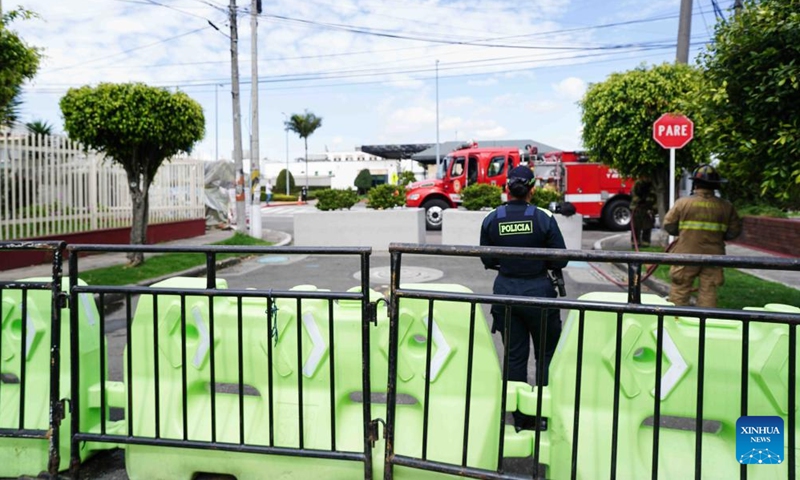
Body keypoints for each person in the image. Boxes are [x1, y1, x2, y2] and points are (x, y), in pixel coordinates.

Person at [479, 166, 568, 432]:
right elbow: (560, 257)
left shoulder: (493, 218)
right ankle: (542, 412)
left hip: (506, 293)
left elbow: (487, 258)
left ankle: (519, 416)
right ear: (532, 189)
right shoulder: (543, 217)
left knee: (515, 357)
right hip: (540, 294)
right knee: (546, 356)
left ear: (507, 189)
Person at [663, 164, 742, 308]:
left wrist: (685, 234)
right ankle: (704, 325)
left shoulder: (683, 203)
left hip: (686, 254)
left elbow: (669, 225)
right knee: (709, 292)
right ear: (716, 185)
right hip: (714, 256)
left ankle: (675, 321)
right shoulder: (726, 206)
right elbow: (734, 231)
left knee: (680, 290)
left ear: (695, 183)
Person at [630, 175, 657, 248]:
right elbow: (634, 194)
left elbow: (655, 197)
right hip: (637, 208)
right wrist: (639, 201)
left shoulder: (653, 185)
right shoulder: (638, 184)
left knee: (647, 226)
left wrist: (653, 208)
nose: (647, 178)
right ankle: (635, 243)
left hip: (648, 209)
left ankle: (646, 243)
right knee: (636, 227)